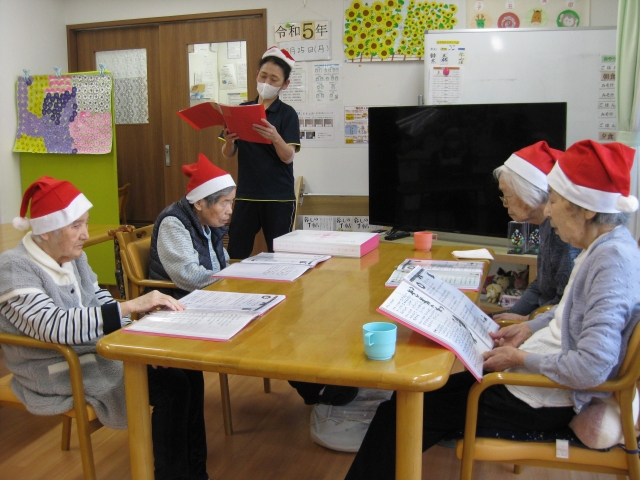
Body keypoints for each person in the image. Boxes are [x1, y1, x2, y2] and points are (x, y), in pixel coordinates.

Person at [345, 139, 640, 479]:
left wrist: (521, 358)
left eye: (555, 201)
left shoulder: (611, 262)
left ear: (587, 209)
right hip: (536, 379)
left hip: (543, 397)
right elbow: (566, 314)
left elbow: (592, 367)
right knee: (416, 396)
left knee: (402, 413)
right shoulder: (602, 247)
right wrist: (527, 329)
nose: (547, 211)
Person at [0, 176, 209, 480]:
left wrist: (137, 342)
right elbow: (53, 327)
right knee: (172, 386)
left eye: (85, 223)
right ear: (46, 231)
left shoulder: (73, 256)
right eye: (76, 226)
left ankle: (196, 473)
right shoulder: (14, 268)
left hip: (91, 352)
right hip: (55, 367)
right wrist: (130, 306)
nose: (85, 234)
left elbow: (98, 299)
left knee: (185, 370)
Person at [221, 46, 301, 259]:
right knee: (236, 251)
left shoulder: (287, 114)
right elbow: (228, 153)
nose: (266, 83)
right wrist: (229, 141)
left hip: (278, 197)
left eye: (274, 80)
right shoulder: (241, 110)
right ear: (256, 74)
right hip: (246, 194)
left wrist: (275, 137)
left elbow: (288, 157)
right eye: (263, 76)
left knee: (281, 255)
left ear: (285, 84)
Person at [492, 141, 581, 322]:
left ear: (528, 193)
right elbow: (540, 286)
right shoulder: (546, 226)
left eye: (507, 196)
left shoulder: (563, 234)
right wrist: (512, 314)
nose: (505, 204)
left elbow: (565, 303)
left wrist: (525, 321)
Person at [149, 153, 235, 299]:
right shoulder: (173, 223)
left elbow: (222, 264)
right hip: (176, 300)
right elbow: (188, 275)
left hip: (208, 294)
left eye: (231, 202)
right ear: (199, 203)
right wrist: (231, 277)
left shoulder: (210, 222)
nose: (230, 211)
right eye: (224, 203)